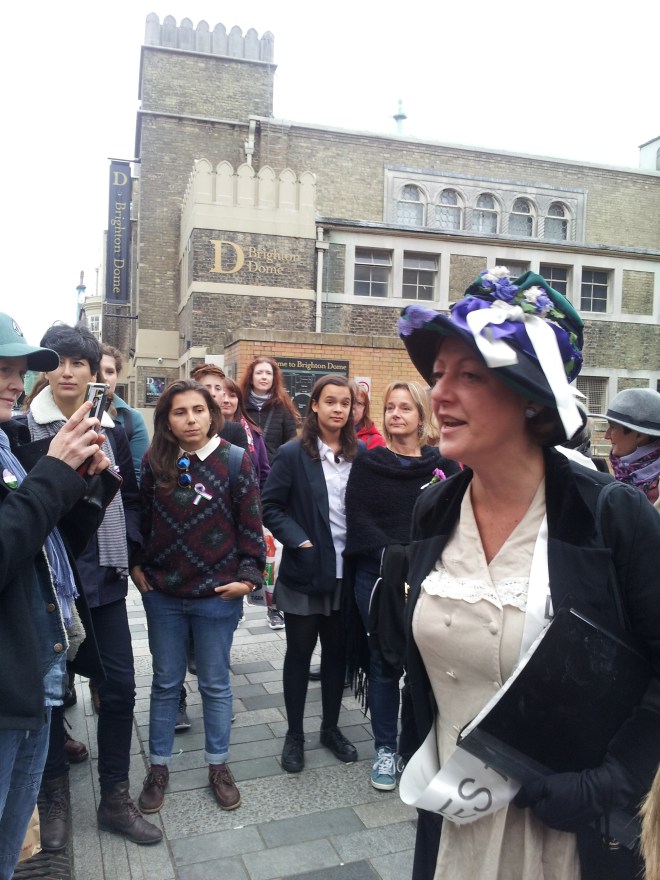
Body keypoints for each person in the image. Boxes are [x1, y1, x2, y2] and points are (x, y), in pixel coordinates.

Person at [397, 267, 660, 880]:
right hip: (453, 820)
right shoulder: (433, 509)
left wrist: (609, 782)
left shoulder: (607, 514)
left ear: (531, 396)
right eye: (438, 375)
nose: (439, 394)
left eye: (470, 375)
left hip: (567, 834)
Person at [23, 323, 161, 848]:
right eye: (57, 361)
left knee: (121, 688)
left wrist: (125, 552)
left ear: (92, 371)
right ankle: (53, 794)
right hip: (47, 585)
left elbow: (126, 498)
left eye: (78, 362)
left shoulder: (114, 430)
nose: (67, 371)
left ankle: (114, 797)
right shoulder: (22, 431)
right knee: (53, 694)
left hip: (102, 579)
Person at [0, 313, 111, 880]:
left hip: (33, 670)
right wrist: (52, 473)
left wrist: (89, 481)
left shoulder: (4, 442)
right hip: (8, 682)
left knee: (12, 838)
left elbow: (44, 545)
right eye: (1, 368)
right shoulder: (22, 438)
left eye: (18, 371)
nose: (14, 382)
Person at [131, 379, 265, 813]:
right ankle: (159, 767)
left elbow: (251, 526)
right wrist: (137, 565)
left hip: (216, 596)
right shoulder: (156, 461)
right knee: (166, 683)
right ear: (167, 421)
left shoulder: (235, 460)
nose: (190, 419)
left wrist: (249, 577)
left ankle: (218, 765)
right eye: (179, 412)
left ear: (212, 414)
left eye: (198, 410)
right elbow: (143, 520)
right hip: (164, 594)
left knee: (215, 684)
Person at [344, 381, 459, 791]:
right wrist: (399, 556)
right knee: (384, 663)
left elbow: (456, 521)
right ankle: (386, 750)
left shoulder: (443, 466)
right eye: (390, 407)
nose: (395, 414)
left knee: (429, 665)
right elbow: (359, 522)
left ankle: (424, 746)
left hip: (433, 581)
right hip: (377, 581)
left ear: (422, 414)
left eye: (405, 408)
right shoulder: (369, 463)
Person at [261, 375, 359, 774]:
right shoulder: (291, 453)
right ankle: (295, 735)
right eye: (331, 401)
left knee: (337, 655)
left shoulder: (360, 454)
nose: (339, 409)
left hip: (345, 572)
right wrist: (300, 541)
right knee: (299, 655)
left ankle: (330, 728)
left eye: (346, 403)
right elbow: (270, 506)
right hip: (307, 570)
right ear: (314, 405)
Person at [240, 356, 299, 629]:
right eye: (259, 372)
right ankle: (237, 603)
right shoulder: (240, 406)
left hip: (275, 483)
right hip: (244, 481)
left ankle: (274, 607)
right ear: (251, 376)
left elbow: (291, 445)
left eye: (268, 373)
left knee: (274, 549)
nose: (264, 377)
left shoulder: (284, 409)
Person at [594, 388, 660, 506]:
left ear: (639, 435)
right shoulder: (626, 473)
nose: (606, 435)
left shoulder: (655, 489)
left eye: (612, 427)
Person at [99, 344, 150, 483]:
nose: (103, 377)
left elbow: (137, 475)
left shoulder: (132, 419)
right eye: (97, 370)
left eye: (110, 372)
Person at [219, 377, 270, 491]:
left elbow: (264, 473)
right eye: (222, 395)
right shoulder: (205, 433)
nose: (226, 400)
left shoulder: (253, 433)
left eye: (232, 396)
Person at [190, 363, 249, 451]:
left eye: (217, 388)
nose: (213, 393)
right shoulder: (185, 425)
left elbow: (245, 463)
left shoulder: (235, 431)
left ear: (222, 394)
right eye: (206, 387)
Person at [351, 382, 386, 449]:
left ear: (365, 409)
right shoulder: (332, 434)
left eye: (359, 403)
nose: (353, 407)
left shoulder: (376, 440)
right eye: (349, 402)